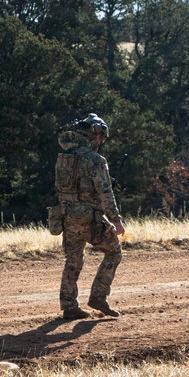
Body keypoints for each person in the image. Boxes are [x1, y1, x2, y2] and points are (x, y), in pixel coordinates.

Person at [54, 113, 125, 320]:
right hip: (89, 218)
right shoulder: (95, 160)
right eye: (101, 137)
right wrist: (116, 220)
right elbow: (105, 193)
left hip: (67, 216)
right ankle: (98, 296)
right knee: (114, 252)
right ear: (96, 135)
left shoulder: (64, 156)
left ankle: (69, 306)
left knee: (73, 261)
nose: (101, 142)